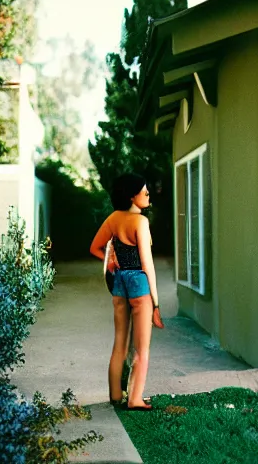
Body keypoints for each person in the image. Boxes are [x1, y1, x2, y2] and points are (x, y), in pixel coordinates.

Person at [90, 173, 163, 410]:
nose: (148, 194)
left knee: (120, 342)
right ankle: (135, 399)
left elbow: (95, 248)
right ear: (132, 196)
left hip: (119, 283)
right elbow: (147, 264)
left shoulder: (113, 218)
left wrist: (110, 260)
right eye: (144, 191)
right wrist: (156, 303)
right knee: (141, 348)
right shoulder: (140, 222)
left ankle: (115, 395)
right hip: (139, 283)